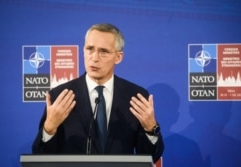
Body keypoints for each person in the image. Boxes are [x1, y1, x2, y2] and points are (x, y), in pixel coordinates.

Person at [32, 23, 164, 162]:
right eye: (90, 49)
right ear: (83, 50)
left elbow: (151, 156)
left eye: (104, 51)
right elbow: (40, 156)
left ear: (118, 57)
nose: (94, 58)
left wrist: (150, 129)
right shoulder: (60, 96)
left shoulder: (135, 96)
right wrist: (49, 129)